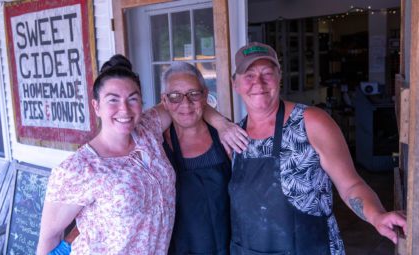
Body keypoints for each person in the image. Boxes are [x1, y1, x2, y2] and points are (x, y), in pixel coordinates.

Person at [37, 55, 246, 255]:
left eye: (132, 99)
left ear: (142, 103)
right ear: (96, 106)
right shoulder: (77, 168)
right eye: (113, 100)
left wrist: (222, 124)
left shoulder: (147, 130)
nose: (124, 109)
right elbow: (49, 238)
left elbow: (190, 104)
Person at [228, 42, 407, 255]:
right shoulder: (233, 137)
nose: (258, 82)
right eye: (249, 75)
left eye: (267, 73)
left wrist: (376, 215)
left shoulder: (311, 122)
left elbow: (350, 185)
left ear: (280, 77)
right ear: (235, 84)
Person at [161, 62, 231, 255]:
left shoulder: (227, 137)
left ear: (205, 96)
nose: (185, 104)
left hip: (228, 247)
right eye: (175, 96)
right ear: (164, 101)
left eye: (194, 94)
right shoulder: (157, 148)